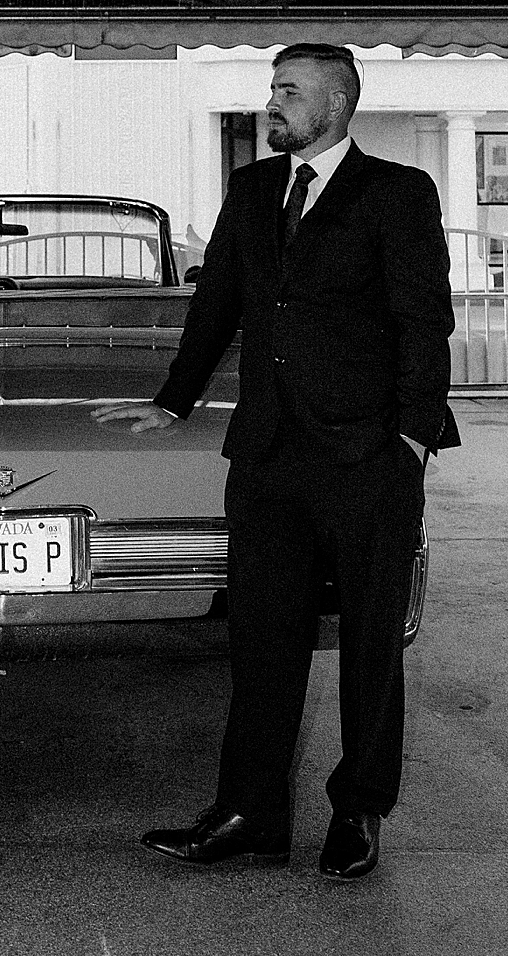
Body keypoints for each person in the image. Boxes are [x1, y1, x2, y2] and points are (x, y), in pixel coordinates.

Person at [95, 44, 455, 881]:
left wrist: (410, 440)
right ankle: (249, 814)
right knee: (262, 642)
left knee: (371, 644)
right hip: (266, 454)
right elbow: (217, 300)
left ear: (333, 104)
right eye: (271, 89)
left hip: (368, 455)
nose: (272, 104)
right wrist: (174, 399)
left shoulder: (397, 192)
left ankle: (358, 812)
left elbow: (422, 321)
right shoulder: (255, 191)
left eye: (287, 92)